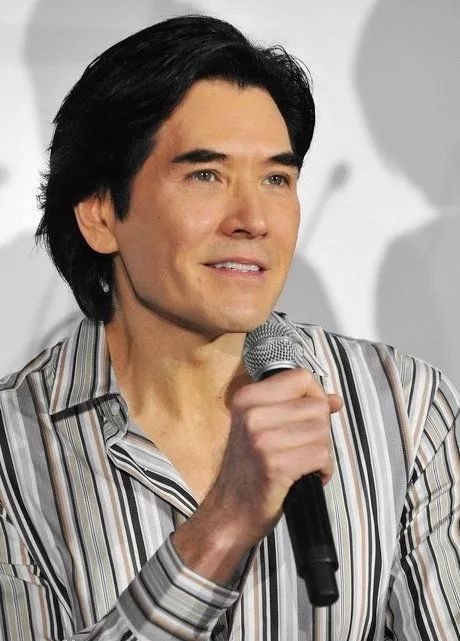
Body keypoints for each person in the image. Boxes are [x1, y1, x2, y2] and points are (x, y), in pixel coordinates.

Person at [0, 14, 458, 641]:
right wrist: (222, 525)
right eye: (206, 175)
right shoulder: (12, 449)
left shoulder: (406, 409)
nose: (253, 219)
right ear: (101, 214)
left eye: (276, 179)